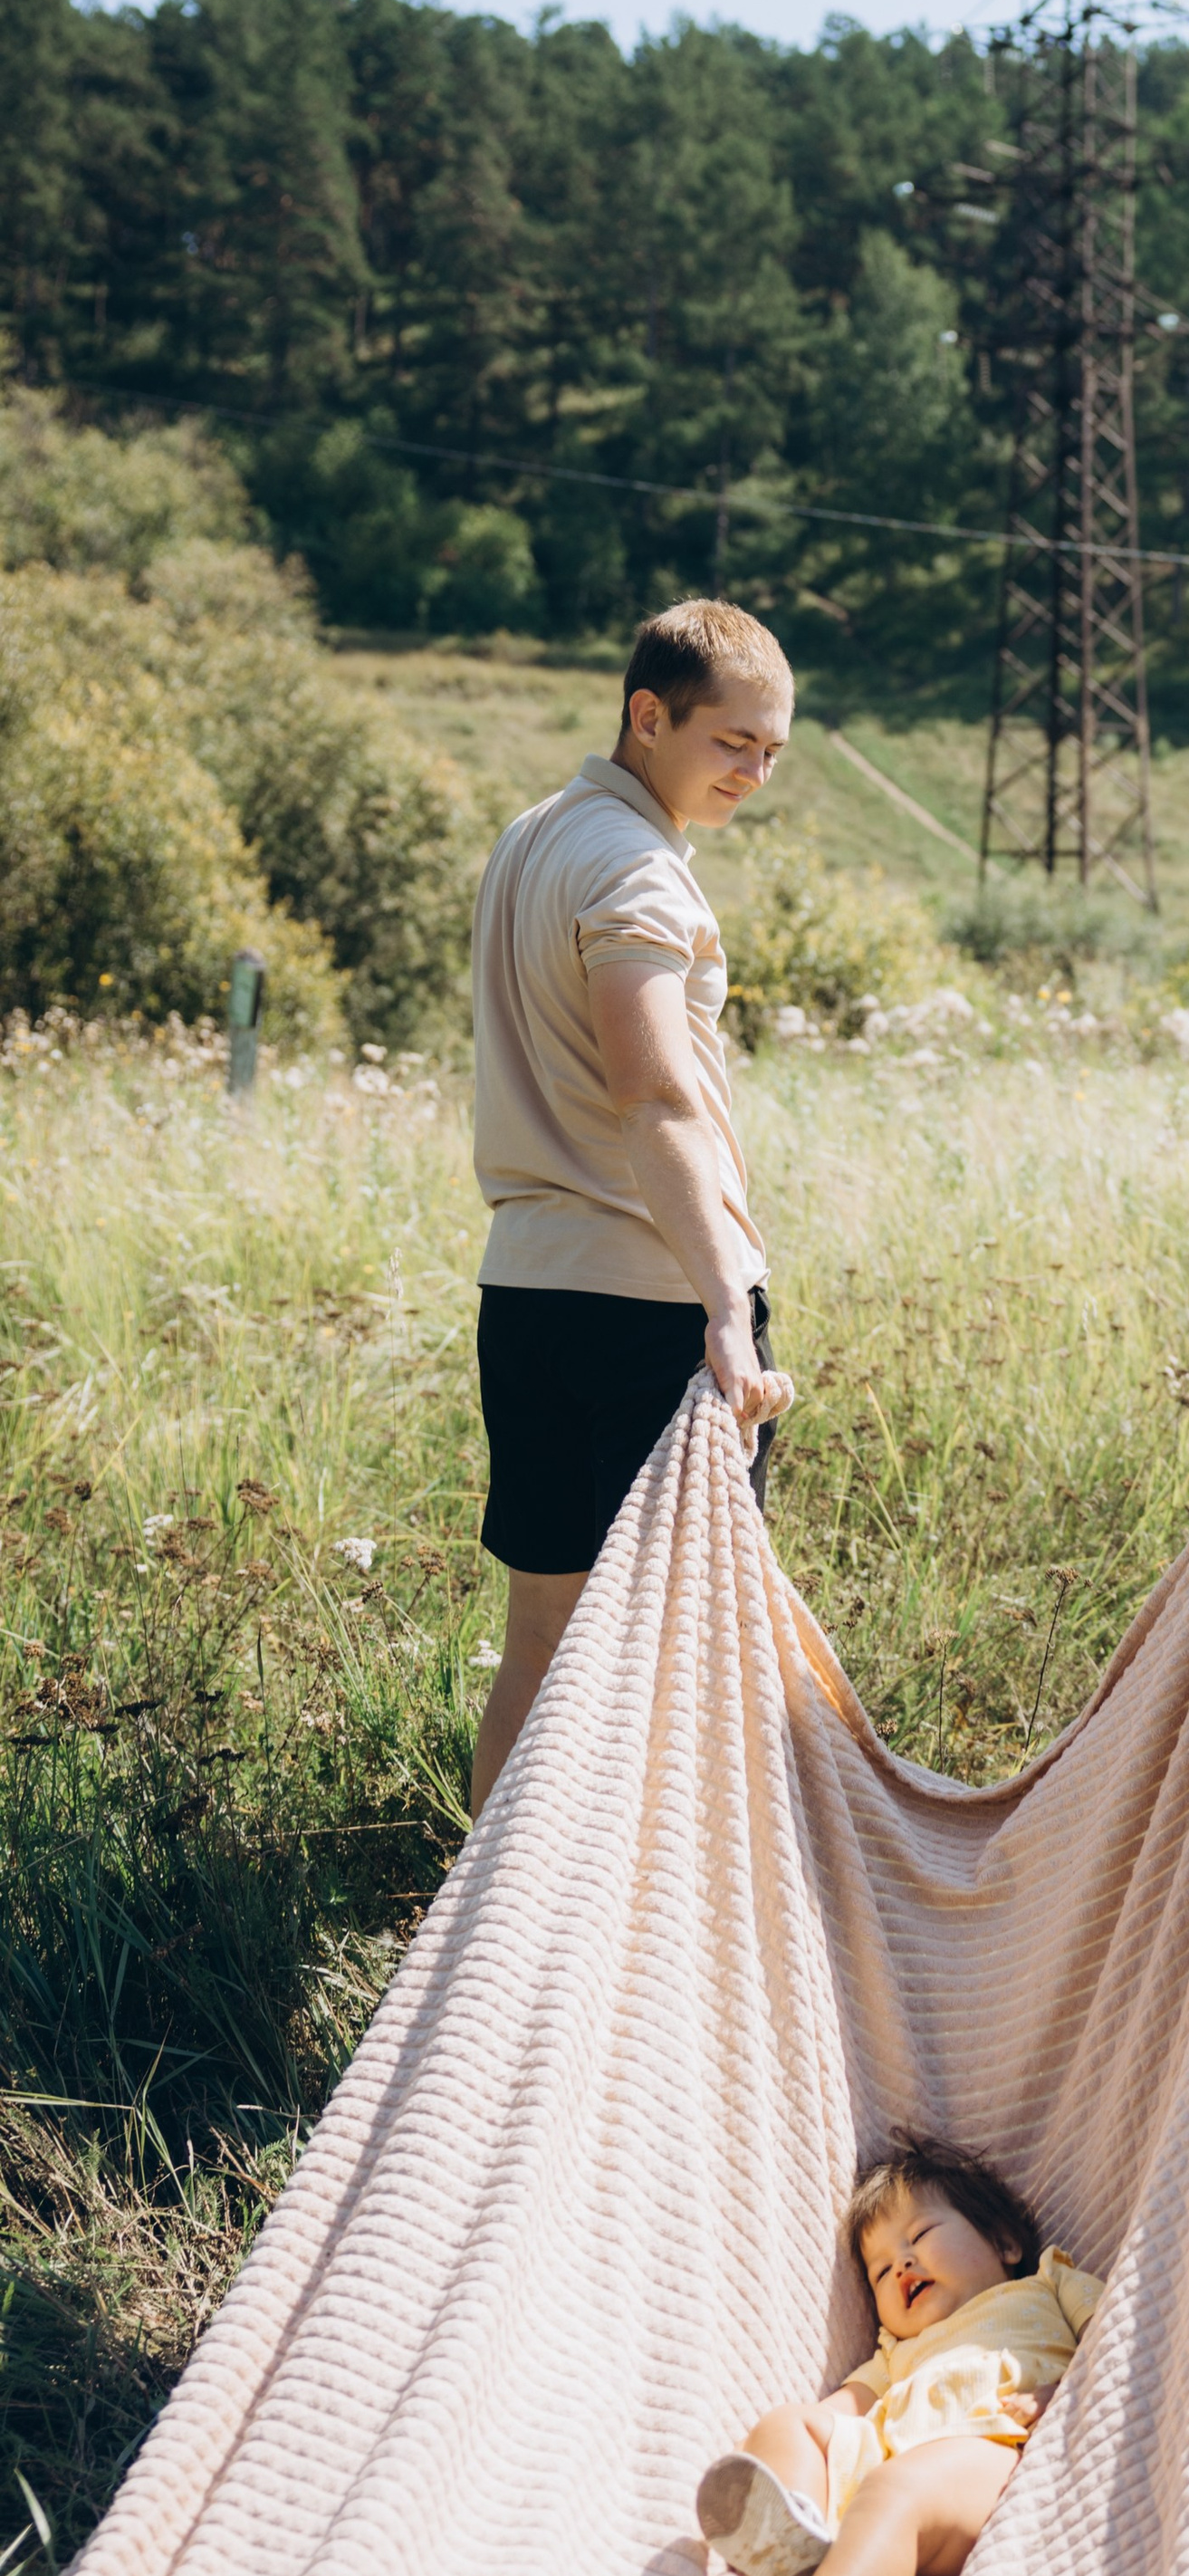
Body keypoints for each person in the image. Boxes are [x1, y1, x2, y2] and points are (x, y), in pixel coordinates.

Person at [465, 598, 796, 1812]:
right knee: (686, 1661)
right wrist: (725, 1304)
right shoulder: (638, 871)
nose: (755, 774)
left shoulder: (533, 835)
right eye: (732, 743)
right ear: (647, 716)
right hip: (649, 1301)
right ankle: (647, 1959)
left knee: (543, 1639)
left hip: (530, 1293)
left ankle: (486, 1943)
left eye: (773, 752)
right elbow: (655, 1098)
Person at [685, 2136, 1102, 2576]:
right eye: (880, 2269)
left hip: (994, 2454)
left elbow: (1115, 2337)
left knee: (897, 2487)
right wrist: (788, 2443)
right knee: (788, 2422)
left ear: (1005, 2244)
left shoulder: (1046, 2284)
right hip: (885, 2475)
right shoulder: (894, 2352)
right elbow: (840, 2412)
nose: (901, 2264)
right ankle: (799, 2545)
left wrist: (1061, 2392)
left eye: (921, 2234)